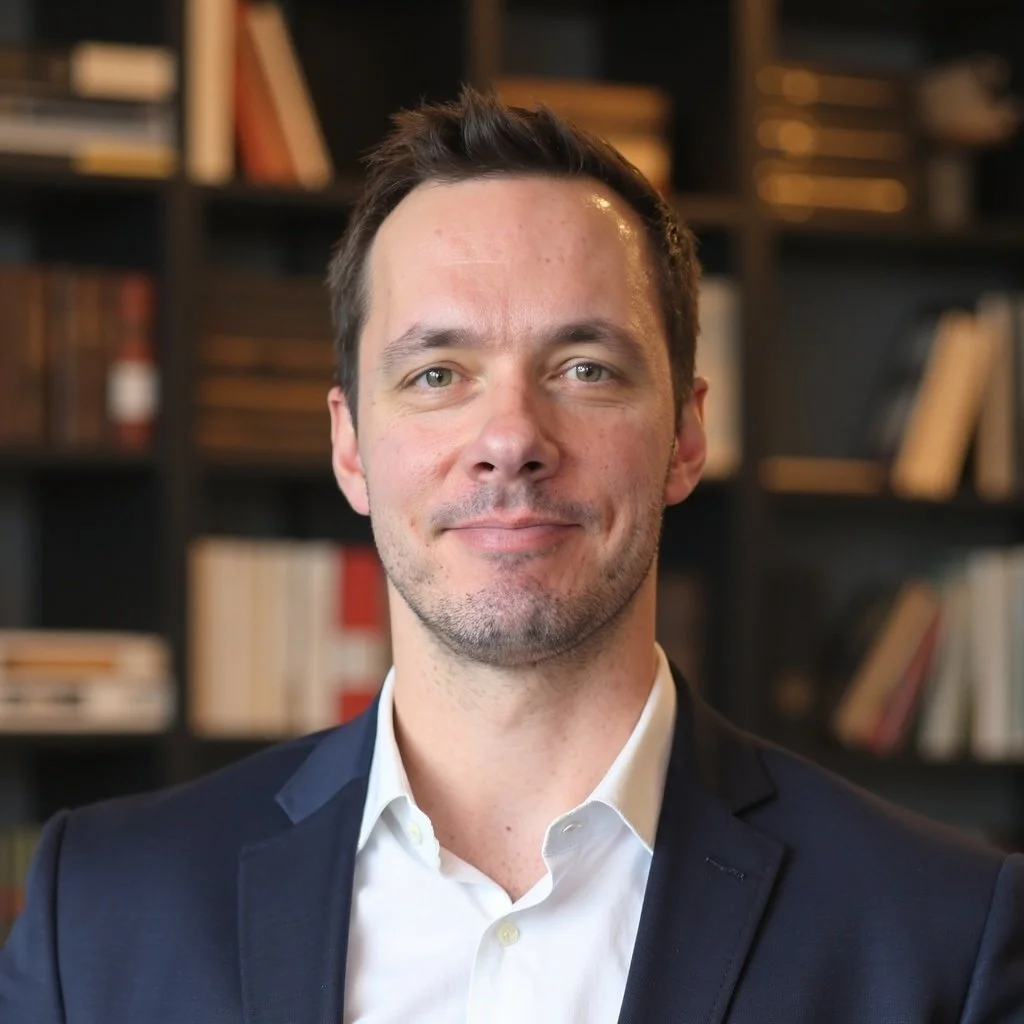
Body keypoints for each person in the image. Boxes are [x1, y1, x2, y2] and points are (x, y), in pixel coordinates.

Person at [1, 86, 1022, 1024]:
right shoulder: (100, 908)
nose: (511, 436)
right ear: (350, 447)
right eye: (438, 372)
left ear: (686, 437)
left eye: (584, 367)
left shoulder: (939, 929)